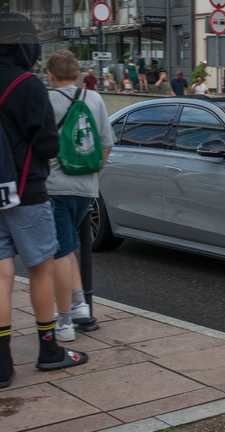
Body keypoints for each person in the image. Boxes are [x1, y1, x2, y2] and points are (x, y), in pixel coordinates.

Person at [0, 13, 88, 388]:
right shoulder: (28, 85)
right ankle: (49, 348)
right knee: (40, 267)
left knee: (1, 274)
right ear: (25, 46)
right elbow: (48, 143)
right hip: (28, 191)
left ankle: (1, 365)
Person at [46, 50, 114, 342]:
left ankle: (64, 324)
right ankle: (80, 306)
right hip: (86, 189)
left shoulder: (46, 100)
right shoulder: (94, 98)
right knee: (69, 244)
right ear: (77, 74)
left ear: (49, 75)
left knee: (59, 252)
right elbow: (107, 143)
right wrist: (92, 176)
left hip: (54, 187)